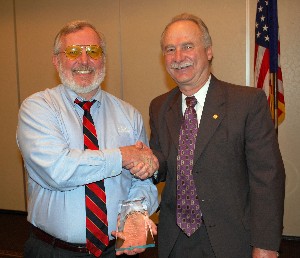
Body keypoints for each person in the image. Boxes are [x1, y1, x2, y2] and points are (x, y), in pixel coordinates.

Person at [16, 20, 158, 258]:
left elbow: (144, 180)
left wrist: (136, 212)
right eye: (73, 52)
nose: (84, 60)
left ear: (103, 59)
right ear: (56, 60)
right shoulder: (37, 108)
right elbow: (58, 170)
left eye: (93, 51)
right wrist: (122, 155)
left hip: (117, 251)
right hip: (54, 251)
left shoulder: (129, 114)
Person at [149, 13, 285, 258]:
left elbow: (268, 179)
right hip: (175, 241)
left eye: (187, 46)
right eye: (170, 49)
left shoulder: (246, 103)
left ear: (209, 51)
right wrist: (148, 163)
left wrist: (265, 244)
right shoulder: (159, 106)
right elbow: (164, 165)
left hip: (231, 241)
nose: (178, 57)